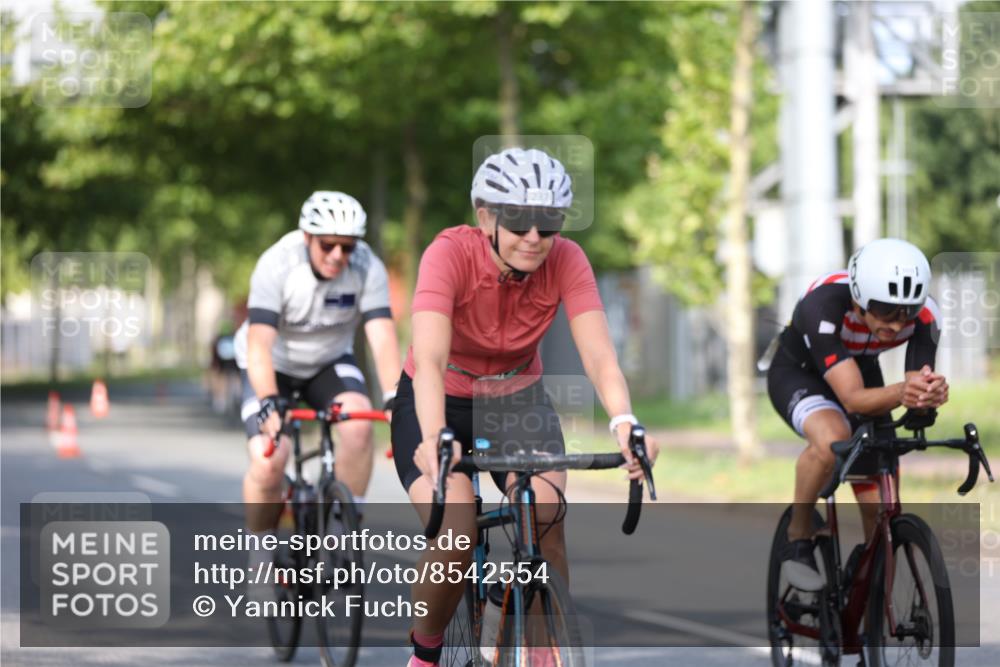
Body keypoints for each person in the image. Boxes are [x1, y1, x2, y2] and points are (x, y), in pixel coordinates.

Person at [391, 147, 659, 667]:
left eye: (549, 223)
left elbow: (600, 356)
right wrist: (431, 437)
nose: (534, 237)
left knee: (546, 516)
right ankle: (423, 656)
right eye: (518, 221)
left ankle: (540, 650)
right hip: (437, 397)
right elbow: (428, 356)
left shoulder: (566, 259)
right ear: (485, 216)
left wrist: (624, 420)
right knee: (457, 530)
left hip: (515, 398)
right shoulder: (447, 254)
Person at [767, 238, 947, 591]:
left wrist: (929, 393)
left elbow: (915, 383)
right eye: (883, 309)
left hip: (862, 370)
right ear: (859, 297)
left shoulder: (927, 315)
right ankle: (798, 531)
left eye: (906, 311)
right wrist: (901, 392)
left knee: (881, 511)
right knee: (833, 436)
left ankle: (868, 608)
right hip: (800, 374)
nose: (896, 325)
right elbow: (851, 399)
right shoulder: (822, 305)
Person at [234, 190, 402, 542]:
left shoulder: (367, 266)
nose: (338, 255)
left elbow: (382, 336)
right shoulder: (277, 264)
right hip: (272, 364)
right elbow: (259, 343)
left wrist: (394, 398)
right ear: (307, 237)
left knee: (359, 427)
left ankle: (343, 533)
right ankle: (260, 555)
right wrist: (268, 398)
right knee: (269, 461)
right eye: (327, 245)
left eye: (348, 246)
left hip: (328, 361)